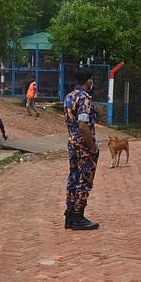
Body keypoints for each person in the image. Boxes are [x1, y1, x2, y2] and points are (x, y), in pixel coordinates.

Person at [63, 68, 100, 230]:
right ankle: (78, 216)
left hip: (72, 142)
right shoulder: (84, 99)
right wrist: (93, 146)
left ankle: (70, 214)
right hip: (83, 145)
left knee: (73, 177)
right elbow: (83, 125)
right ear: (89, 81)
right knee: (84, 179)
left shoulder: (69, 97)